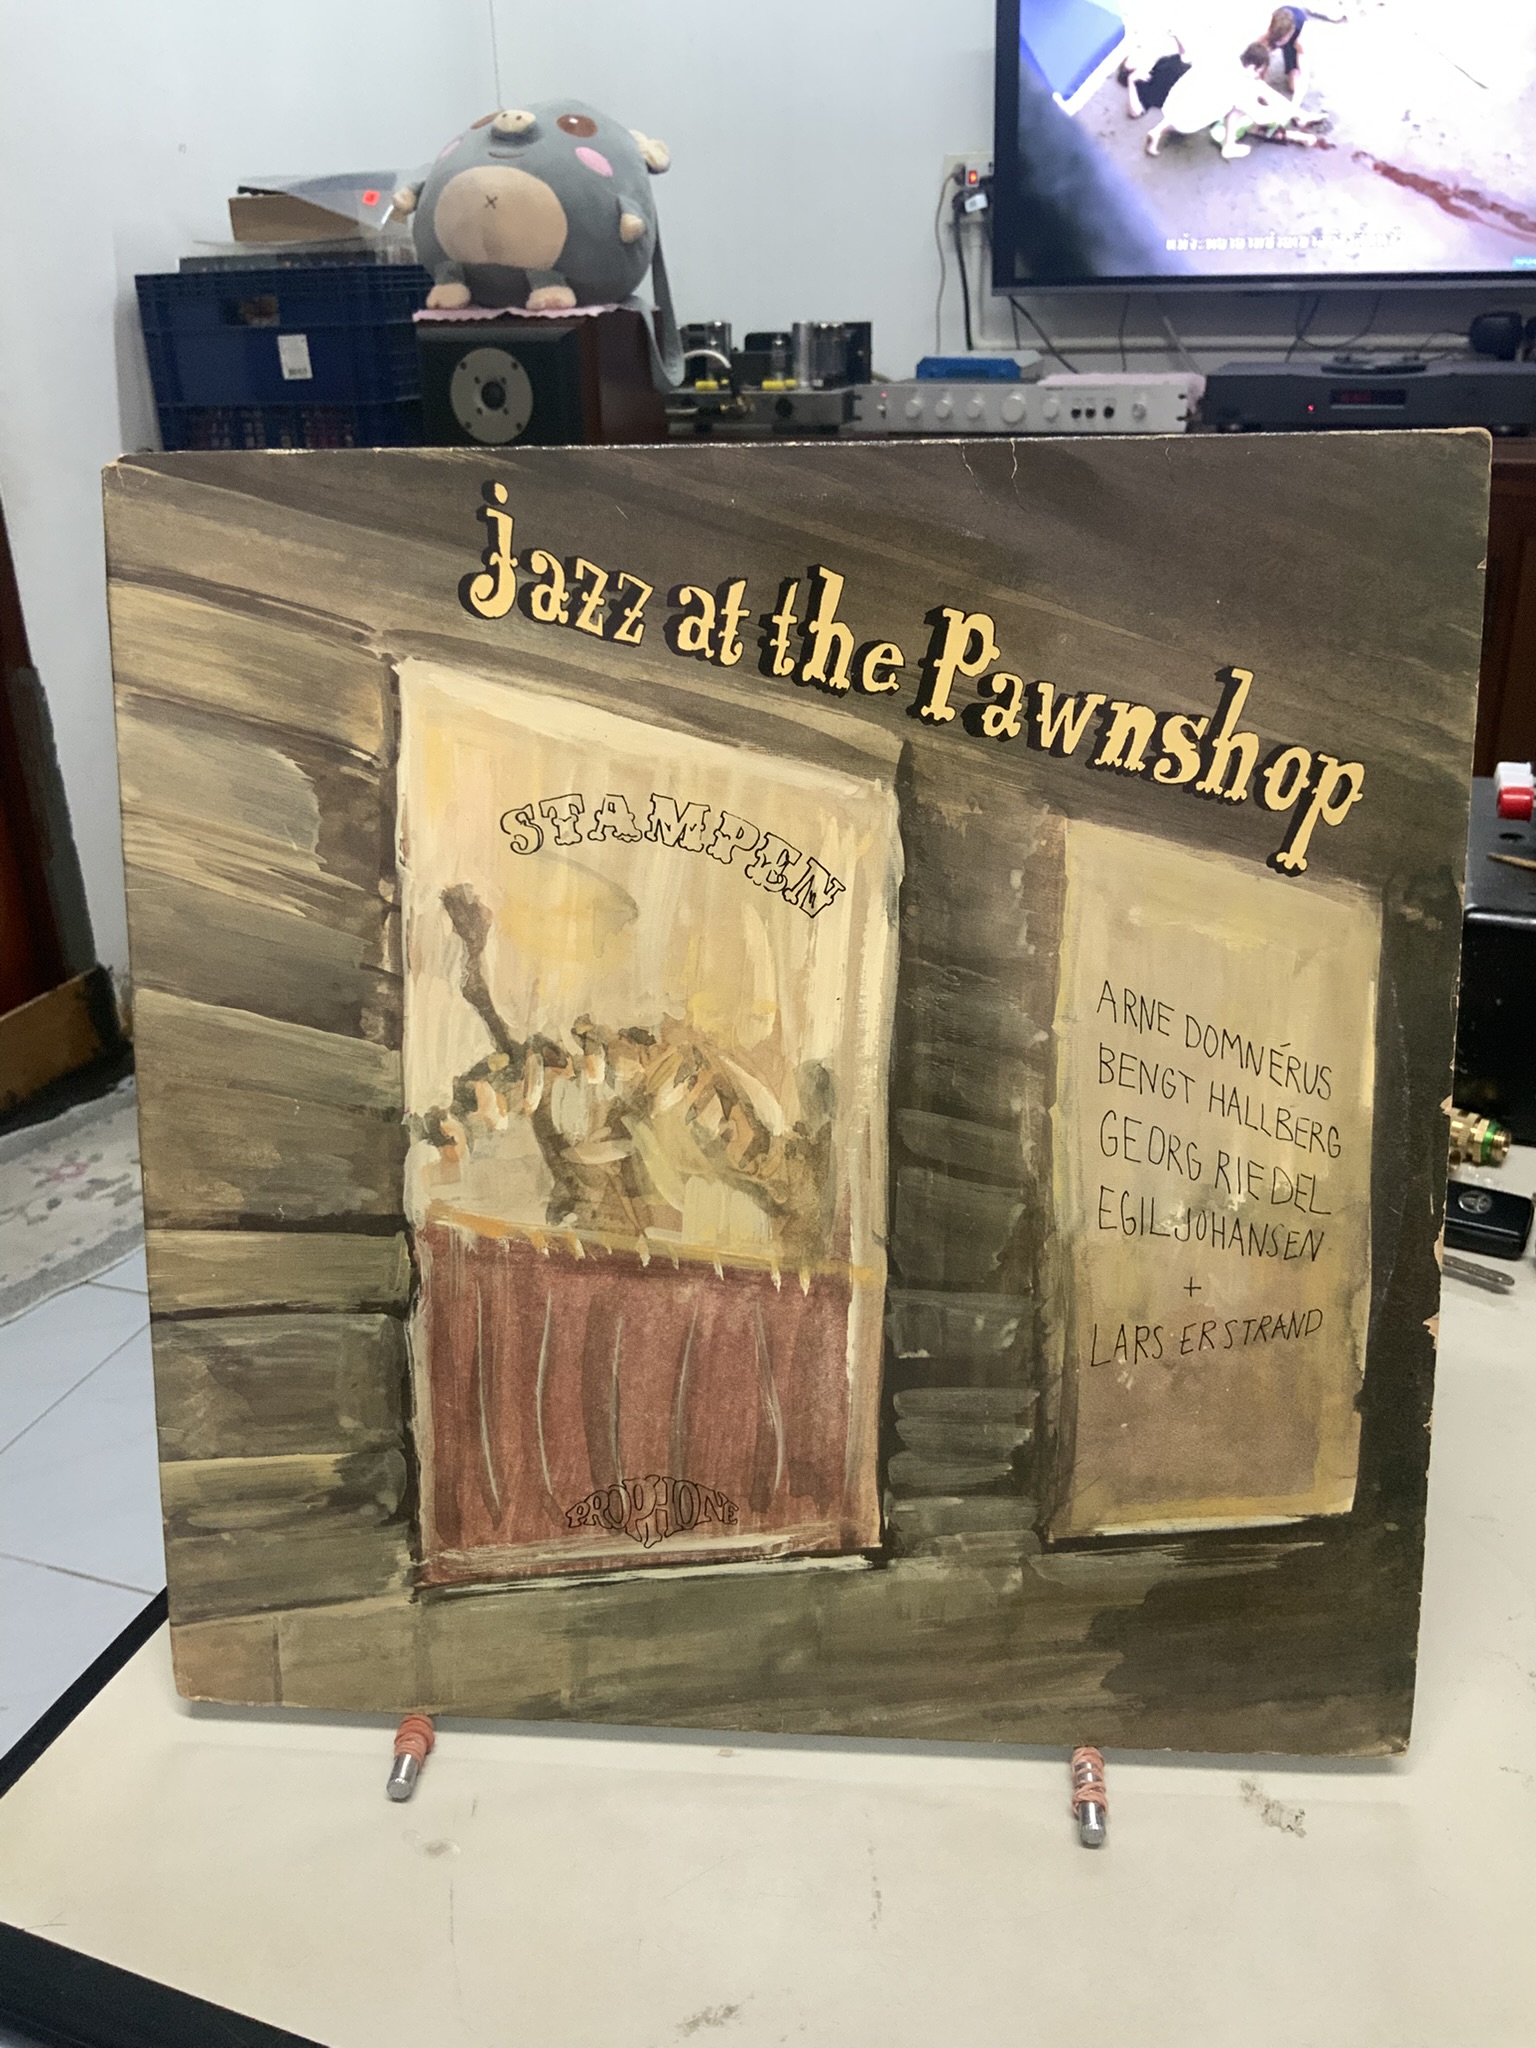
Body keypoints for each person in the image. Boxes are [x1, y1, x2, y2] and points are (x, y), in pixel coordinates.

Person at [1144, 42, 1321, 160]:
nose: (1257, 76)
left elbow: (1191, 60)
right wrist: (1281, 112)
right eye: (1258, 72)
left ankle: (1157, 131)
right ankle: (1229, 146)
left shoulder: (1224, 56)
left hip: (1174, 102)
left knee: (1193, 101)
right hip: (1188, 122)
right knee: (1237, 108)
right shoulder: (1239, 87)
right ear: (1253, 66)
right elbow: (1260, 117)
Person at [1262, 4, 1346, 106]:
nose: (1279, 45)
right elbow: (1257, 54)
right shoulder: (1268, 28)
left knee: (1293, 86)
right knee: (1262, 56)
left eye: (1281, 41)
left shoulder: (1301, 38)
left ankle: (1291, 70)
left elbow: (1304, 75)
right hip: (1278, 26)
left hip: (1296, 30)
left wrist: (1295, 105)